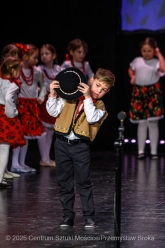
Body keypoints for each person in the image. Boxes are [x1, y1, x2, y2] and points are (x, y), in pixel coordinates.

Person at [46, 67, 115, 228]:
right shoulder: (69, 96)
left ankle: (89, 216)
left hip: (80, 147)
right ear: (91, 81)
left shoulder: (100, 107)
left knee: (83, 182)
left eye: (104, 90)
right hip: (61, 143)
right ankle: (67, 215)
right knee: (64, 182)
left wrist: (88, 98)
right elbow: (53, 111)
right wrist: (52, 94)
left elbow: (91, 119)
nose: (99, 91)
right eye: (98, 85)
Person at [128, 37, 165, 160]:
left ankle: (154, 151)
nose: (146, 53)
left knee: (153, 122)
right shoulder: (137, 60)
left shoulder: (156, 61)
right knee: (141, 122)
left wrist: (159, 53)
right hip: (139, 92)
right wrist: (132, 77)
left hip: (153, 92)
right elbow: (130, 69)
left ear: (154, 50)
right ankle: (140, 151)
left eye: (149, 50)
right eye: (144, 50)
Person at [11, 43, 46, 173]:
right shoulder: (17, 69)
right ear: (25, 56)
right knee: (18, 134)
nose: (37, 61)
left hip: (31, 105)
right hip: (19, 105)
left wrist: (41, 97)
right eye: (34, 57)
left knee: (27, 135)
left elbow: (44, 86)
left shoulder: (36, 72)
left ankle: (21, 162)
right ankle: (14, 162)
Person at [0, 57, 26, 188]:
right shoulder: (13, 85)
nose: (20, 73)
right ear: (12, 70)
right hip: (4, 116)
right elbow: (8, 98)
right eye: (19, 70)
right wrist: (13, 112)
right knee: (4, 149)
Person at [37, 44, 62, 167]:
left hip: (55, 99)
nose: (44, 56)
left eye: (47, 53)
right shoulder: (40, 69)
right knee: (43, 129)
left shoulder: (59, 69)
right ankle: (44, 157)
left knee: (51, 130)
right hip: (44, 100)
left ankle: (46, 158)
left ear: (53, 55)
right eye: (42, 54)